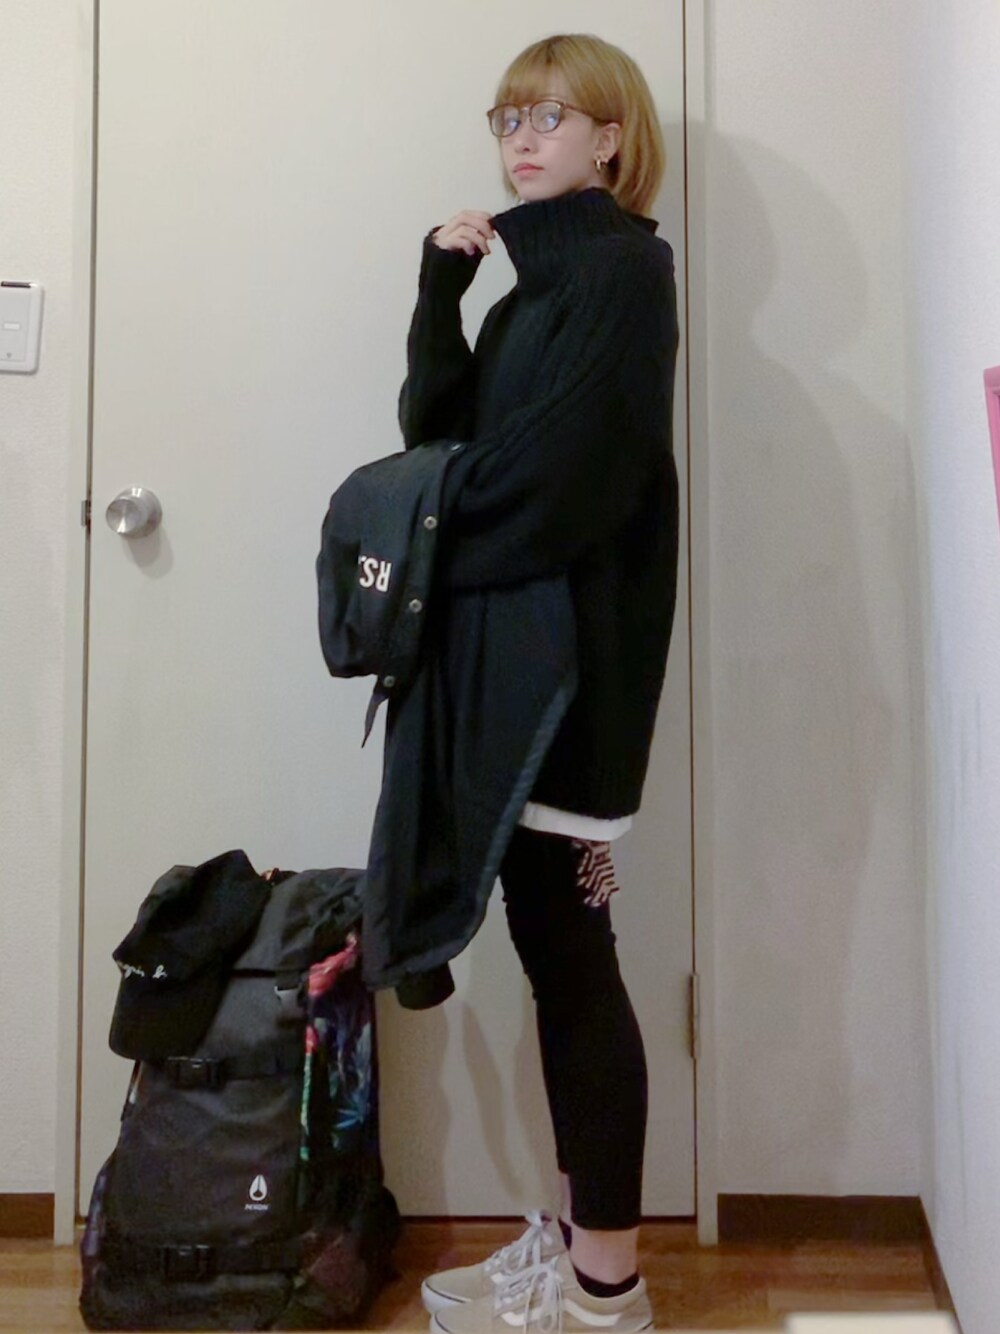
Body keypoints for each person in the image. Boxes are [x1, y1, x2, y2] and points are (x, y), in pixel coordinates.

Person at [399, 32, 680, 1334]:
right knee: (560, 956)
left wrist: (441, 533)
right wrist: (438, 295)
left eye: (550, 117)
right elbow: (437, 434)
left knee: (574, 964)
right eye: (509, 117)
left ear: (609, 138)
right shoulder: (531, 291)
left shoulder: (623, 269)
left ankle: (605, 1286)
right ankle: (580, 1253)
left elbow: (575, 480)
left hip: (573, 673)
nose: (521, 138)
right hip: (520, 661)